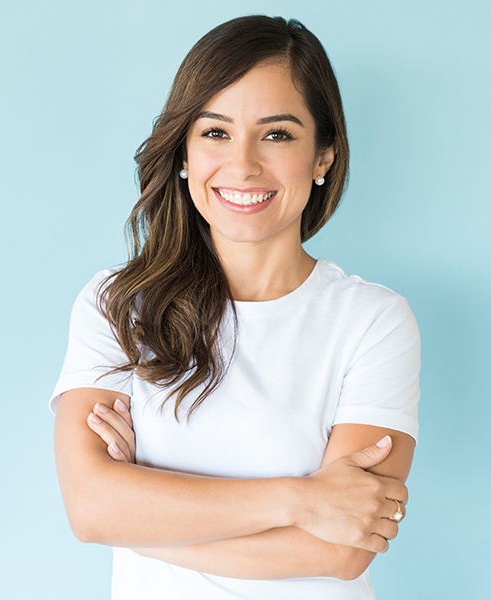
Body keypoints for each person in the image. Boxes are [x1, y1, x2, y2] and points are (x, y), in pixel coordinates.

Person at [51, 15, 420, 600]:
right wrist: (300, 498)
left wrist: (140, 514)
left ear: (323, 156)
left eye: (277, 134)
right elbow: (91, 507)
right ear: (184, 152)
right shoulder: (118, 305)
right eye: (215, 133)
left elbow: (342, 551)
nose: (243, 164)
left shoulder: (373, 320)